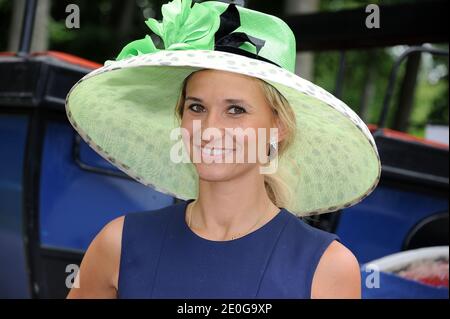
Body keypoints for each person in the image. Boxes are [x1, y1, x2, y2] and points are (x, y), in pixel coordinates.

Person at [65, 0, 381, 299]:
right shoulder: (119, 244)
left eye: (235, 110)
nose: (210, 129)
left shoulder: (327, 267)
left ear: (278, 127)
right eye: (197, 107)